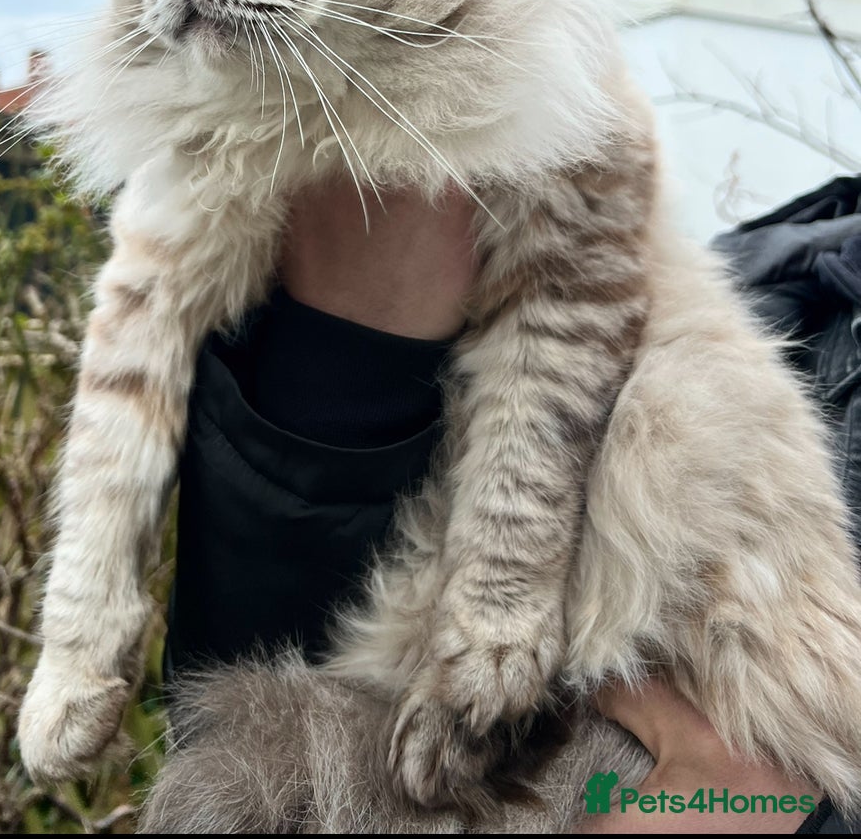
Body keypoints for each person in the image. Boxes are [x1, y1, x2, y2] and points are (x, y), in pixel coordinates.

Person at [164, 179, 848, 834]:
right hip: (375, 737)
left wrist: (795, 817)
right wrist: (339, 355)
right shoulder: (759, 264)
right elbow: (263, 676)